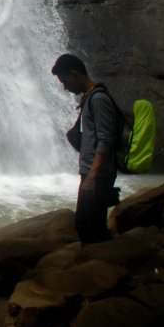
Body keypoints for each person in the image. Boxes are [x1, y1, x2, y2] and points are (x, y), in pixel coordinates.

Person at [51, 54, 120, 244]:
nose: (65, 87)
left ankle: (103, 267)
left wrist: (92, 175)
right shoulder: (90, 98)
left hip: (98, 175)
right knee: (85, 226)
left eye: (65, 81)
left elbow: (106, 139)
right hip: (91, 173)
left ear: (74, 74)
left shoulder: (98, 99)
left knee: (92, 229)